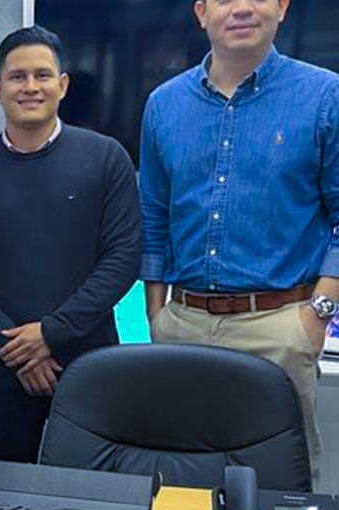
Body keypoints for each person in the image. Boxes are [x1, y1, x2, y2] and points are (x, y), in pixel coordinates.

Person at [140, 0, 339, 475]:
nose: (242, 8)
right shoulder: (164, 104)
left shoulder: (324, 96)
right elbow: (154, 216)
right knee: (181, 476)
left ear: (282, 7)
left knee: (278, 487)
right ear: (202, 12)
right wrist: (156, 316)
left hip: (279, 329)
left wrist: (317, 316)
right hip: (182, 328)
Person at [0, 26, 141, 462]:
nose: (30, 86)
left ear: (63, 84)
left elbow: (122, 259)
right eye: (17, 77)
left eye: (42, 75)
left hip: (90, 368)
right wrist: (19, 352)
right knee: (2, 497)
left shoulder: (107, 158)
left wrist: (51, 334)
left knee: (87, 497)